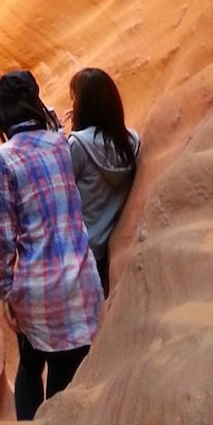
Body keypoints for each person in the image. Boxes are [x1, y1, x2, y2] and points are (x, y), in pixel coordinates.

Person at [0, 70, 104, 420]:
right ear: (35, 103)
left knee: (30, 367)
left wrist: (5, 289)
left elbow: (6, 236)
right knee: (62, 385)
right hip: (80, 282)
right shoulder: (59, 144)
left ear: (2, 112)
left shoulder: (2, 158)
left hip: (37, 289)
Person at [67, 68, 140, 297]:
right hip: (109, 244)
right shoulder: (131, 141)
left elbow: (61, 187)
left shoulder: (78, 144)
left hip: (80, 250)